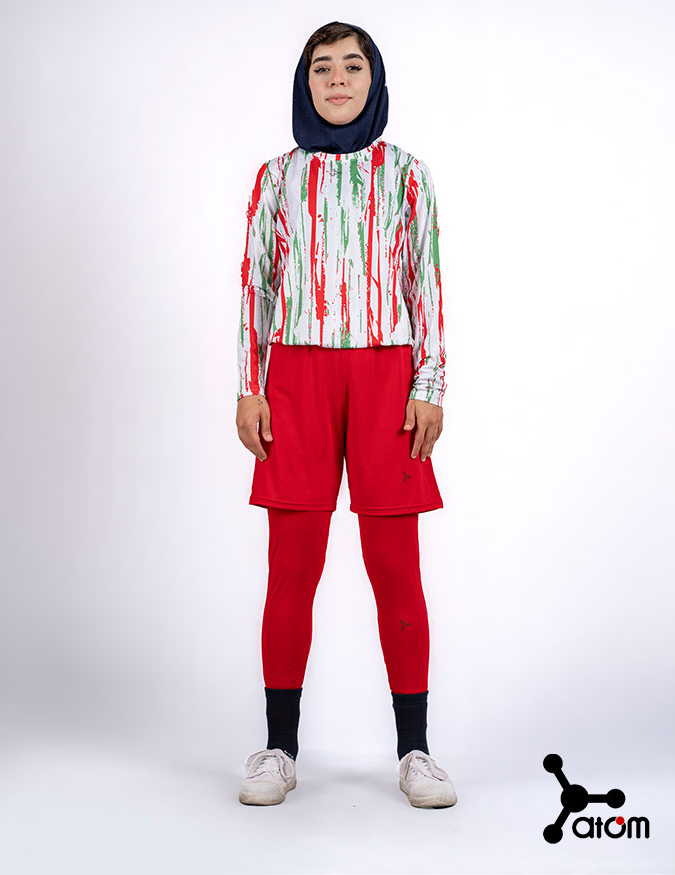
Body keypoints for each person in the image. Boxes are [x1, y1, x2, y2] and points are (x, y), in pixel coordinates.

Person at [234, 20, 457, 809]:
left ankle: (416, 751)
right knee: (292, 565)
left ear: (374, 79)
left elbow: (426, 282)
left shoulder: (408, 176)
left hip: (387, 375)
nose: (337, 80)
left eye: (352, 66)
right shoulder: (276, 178)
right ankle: (278, 748)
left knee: (396, 565)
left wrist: (430, 384)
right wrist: (249, 385)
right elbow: (256, 286)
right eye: (322, 68)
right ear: (305, 84)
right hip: (295, 375)